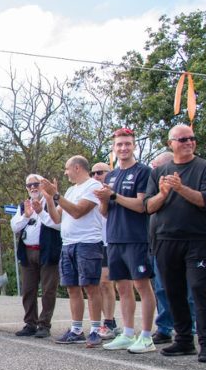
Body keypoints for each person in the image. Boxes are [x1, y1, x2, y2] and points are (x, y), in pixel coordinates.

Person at [145, 124, 206, 363]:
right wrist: (164, 193)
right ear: (171, 144)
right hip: (166, 240)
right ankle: (184, 340)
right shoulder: (159, 172)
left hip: (196, 239)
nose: (189, 142)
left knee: (198, 288)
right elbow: (149, 206)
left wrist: (180, 188)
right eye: (183, 139)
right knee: (173, 291)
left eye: (191, 138)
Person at [95, 128, 157, 353]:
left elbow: (142, 206)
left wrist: (113, 195)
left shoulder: (143, 172)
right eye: (119, 144)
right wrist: (104, 199)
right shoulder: (111, 175)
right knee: (122, 287)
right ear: (113, 148)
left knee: (142, 285)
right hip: (114, 238)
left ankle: (147, 337)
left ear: (134, 146)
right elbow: (105, 212)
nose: (123, 148)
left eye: (127, 144)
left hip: (136, 237)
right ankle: (128, 333)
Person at [40, 156, 105, 347]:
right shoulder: (71, 190)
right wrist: (50, 199)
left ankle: (95, 330)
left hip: (88, 243)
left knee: (90, 287)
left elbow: (77, 211)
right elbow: (56, 218)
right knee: (72, 287)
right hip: (68, 244)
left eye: (67, 169)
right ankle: (76, 330)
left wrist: (56, 195)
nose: (65, 172)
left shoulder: (93, 186)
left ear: (77, 167)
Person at [148, 151, 196, 344]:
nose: (153, 170)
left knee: (188, 289)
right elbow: (148, 208)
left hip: (186, 245)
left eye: (156, 167)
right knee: (162, 289)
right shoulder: (155, 189)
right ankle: (164, 328)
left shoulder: (187, 188)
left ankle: (189, 327)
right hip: (158, 244)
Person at [10, 174, 61, 339]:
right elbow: (15, 227)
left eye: (36, 184)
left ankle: (44, 324)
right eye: (29, 185)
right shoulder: (23, 205)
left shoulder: (54, 202)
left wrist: (40, 212)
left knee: (48, 290)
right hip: (27, 252)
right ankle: (30, 323)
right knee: (28, 290)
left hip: (48, 252)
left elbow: (58, 224)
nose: (32, 187)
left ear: (43, 185)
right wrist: (26, 216)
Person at [89, 163, 120, 340]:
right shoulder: (90, 192)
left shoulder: (116, 191)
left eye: (100, 172)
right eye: (93, 173)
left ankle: (110, 322)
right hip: (94, 242)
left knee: (108, 283)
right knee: (97, 284)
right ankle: (107, 321)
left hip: (113, 241)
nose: (96, 176)